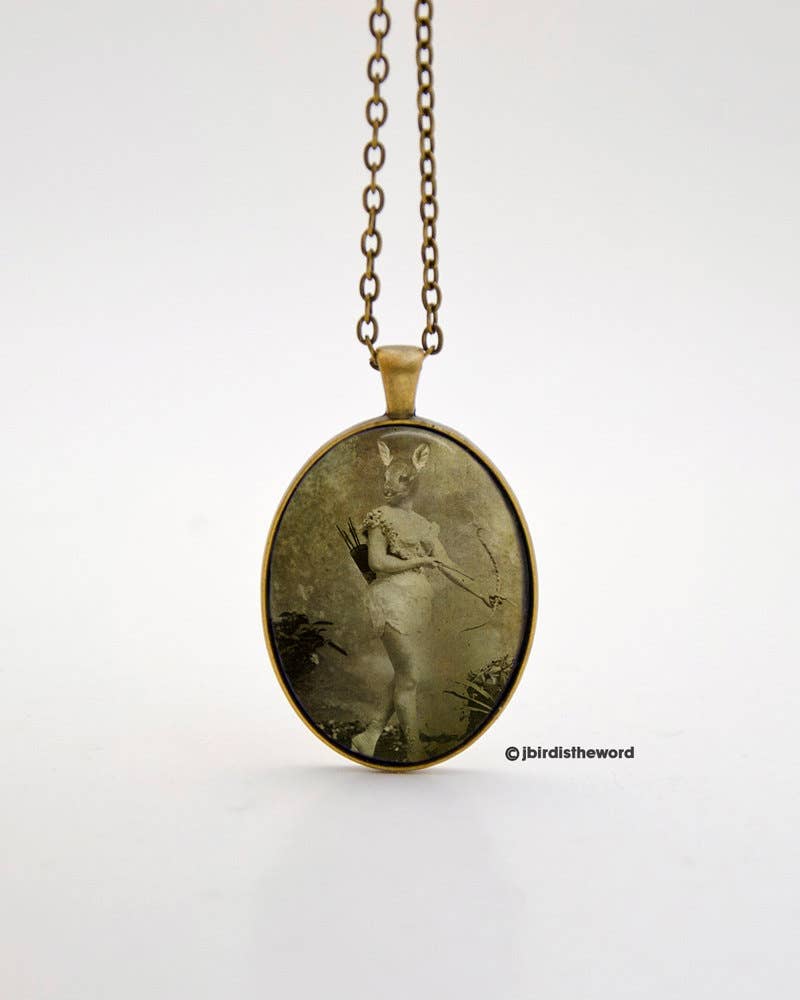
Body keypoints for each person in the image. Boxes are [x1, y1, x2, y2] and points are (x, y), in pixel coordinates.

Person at [350, 438, 496, 761]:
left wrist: (481, 591)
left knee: (404, 674)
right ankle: (414, 750)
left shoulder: (422, 525)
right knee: (411, 675)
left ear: (415, 479)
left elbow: (446, 564)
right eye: (387, 479)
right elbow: (377, 562)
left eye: (400, 480)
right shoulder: (380, 517)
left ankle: (369, 736)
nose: (389, 486)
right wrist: (418, 561)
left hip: (415, 605)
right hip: (389, 601)